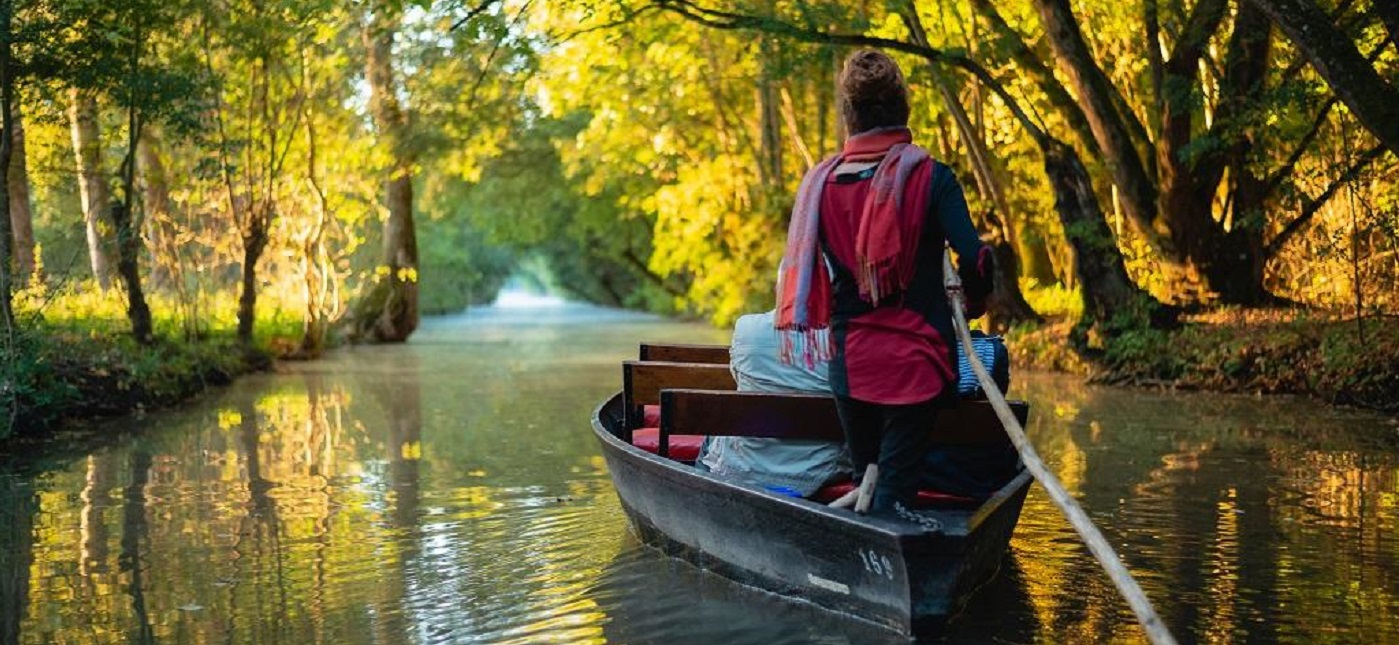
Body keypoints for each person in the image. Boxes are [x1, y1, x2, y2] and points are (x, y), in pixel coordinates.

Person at [774, 50, 996, 524]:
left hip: (849, 367)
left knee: (868, 487)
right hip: (916, 366)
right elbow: (977, 257)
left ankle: (866, 556)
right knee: (892, 503)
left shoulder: (821, 183)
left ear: (848, 116)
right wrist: (974, 302)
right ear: (904, 110)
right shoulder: (933, 178)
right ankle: (896, 558)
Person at [697, 310, 849, 497]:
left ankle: (700, 498)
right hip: (820, 471)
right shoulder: (849, 337)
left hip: (743, 465)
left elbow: (738, 377)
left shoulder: (747, 327)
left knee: (715, 433)